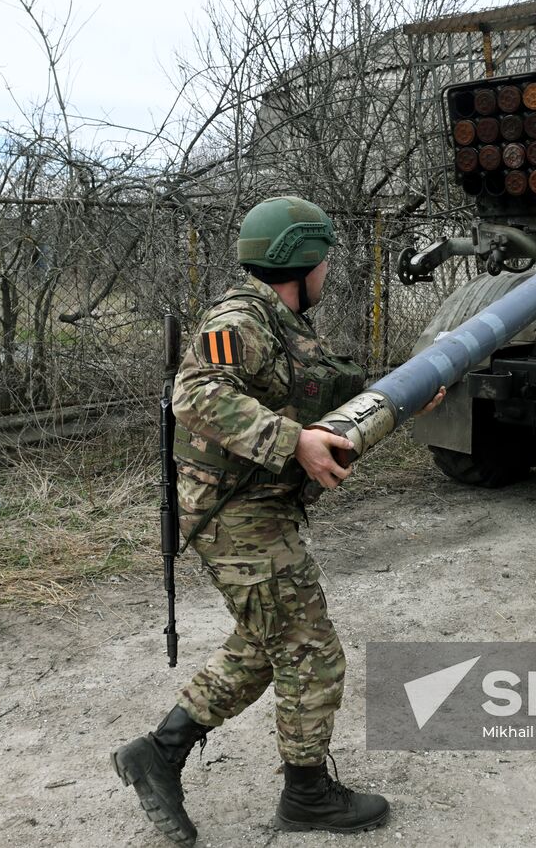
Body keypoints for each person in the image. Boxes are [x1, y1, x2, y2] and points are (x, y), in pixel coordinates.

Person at [111, 196, 443, 845]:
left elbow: (318, 389)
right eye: (323, 258)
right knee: (312, 652)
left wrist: (402, 399)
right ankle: (307, 794)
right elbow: (196, 395)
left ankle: (161, 751)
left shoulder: (277, 321)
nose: (328, 271)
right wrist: (293, 442)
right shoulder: (241, 318)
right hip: (237, 518)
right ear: (300, 259)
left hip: (252, 512)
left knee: (267, 646)